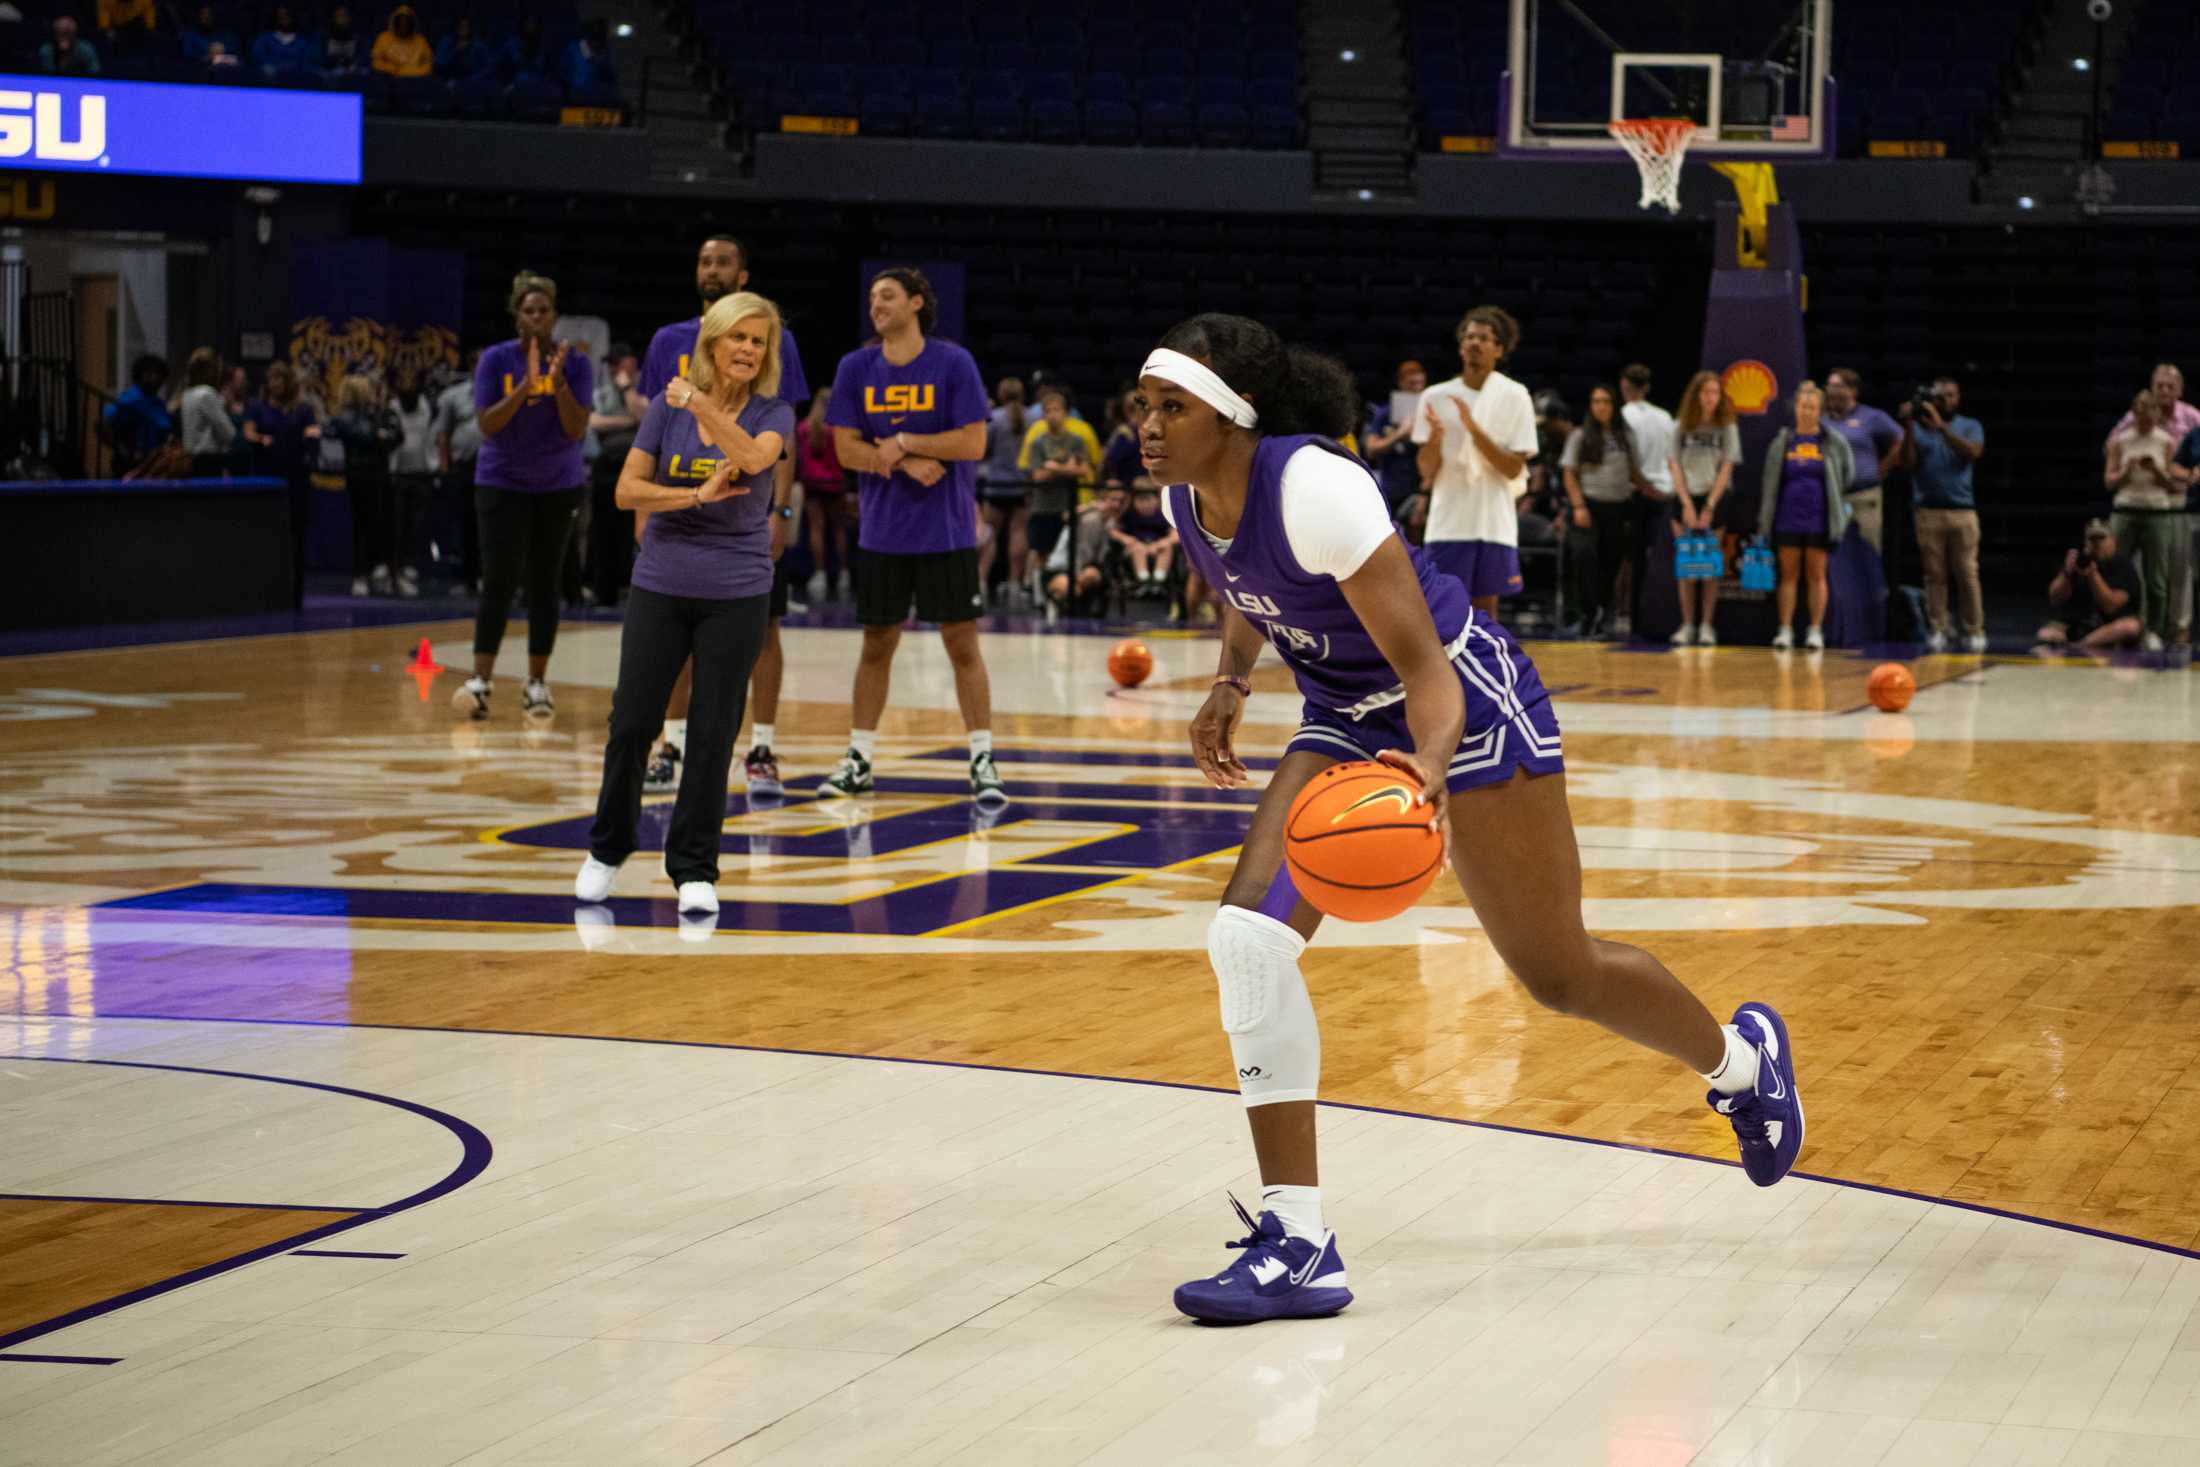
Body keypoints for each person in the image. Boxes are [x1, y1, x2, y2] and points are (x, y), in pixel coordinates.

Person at [1133, 313, 1802, 1325]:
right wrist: (1232, 678)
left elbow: (1426, 672)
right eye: (1143, 404)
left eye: (1169, 405)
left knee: (1558, 974)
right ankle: (1299, 1241)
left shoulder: (1320, 486)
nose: (1145, 423)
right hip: (1341, 714)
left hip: (1467, 707)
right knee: (1246, 940)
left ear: (1232, 417)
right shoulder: (1190, 496)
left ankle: (1744, 1068)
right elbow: (1250, 585)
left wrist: (1429, 766)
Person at [574, 293, 794, 917]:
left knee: (713, 731)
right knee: (633, 722)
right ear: (714, 344)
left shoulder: (772, 411)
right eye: (739, 339)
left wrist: (698, 400)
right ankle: (608, 849)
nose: (750, 350)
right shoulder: (662, 417)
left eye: (760, 341)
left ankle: (693, 867)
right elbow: (624, 492)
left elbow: (754, 459)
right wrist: (693, 496)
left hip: (737, 592)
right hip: (662, 583)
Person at [820, 266, 1004, 803]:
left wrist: (904, 441)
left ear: (918, 303)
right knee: (876, 644)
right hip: (882, 532)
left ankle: (983, 759)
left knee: (962, 645)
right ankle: (858, 758)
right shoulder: (856, 367)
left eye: (888, 296)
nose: (875, 305)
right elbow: (846, 450)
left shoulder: (953, 362)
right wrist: (903, 463)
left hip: (945, 533)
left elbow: (973, 444)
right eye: (872, 297)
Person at [637, 234, 811, 798]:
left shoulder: (771, 339)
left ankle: (760, 746)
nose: (711, 269)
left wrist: (780, 508)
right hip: (680, 512)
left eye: (724, 262)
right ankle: (673, 743)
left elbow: (785, 434)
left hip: (747, 511)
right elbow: (651, 435)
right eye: (704, 261)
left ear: (743, 276)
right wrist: (648, 505)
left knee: (764, 629)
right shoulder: (668, 341)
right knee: (677, 633)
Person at [452, 271, 592, 721]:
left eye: (544, 311)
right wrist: (527, 390)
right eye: (528, 311)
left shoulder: (575, 363)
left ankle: (537, 684)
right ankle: (482, 681)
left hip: (557, 483)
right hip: (501, 482)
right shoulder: (496, 360)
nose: (536, 318)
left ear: (554, 316)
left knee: (544, 582)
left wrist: (558, 385)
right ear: (516, 317)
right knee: (498, 579)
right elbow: (488, 425)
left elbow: (576, 429)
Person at [1411, 306, 1537, 617]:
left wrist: (1472, 428)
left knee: (1485, 610)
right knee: (1442, 608)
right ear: (1459, 346)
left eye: (1483, 338)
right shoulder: (1435, 396)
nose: (1474, 343)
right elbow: (1426, 471)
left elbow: (1513, 468)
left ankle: (1485, 666)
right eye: (1468, 337)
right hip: (1448, 521)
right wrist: (1437, 439)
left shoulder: (1515, 395)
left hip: (1493, 520)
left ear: (1499, 349)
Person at [1758, 381, 1854, 651]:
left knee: (1816, 573)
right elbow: (1770, 481)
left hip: (1819, 518)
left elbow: (1848, 474)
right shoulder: (1783, 441)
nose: (1807, 412)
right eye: (1803, 407)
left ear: (1820, 410)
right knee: (1788, 574)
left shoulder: (1832, 441)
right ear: (1796, 408)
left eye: (1812, 408)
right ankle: (1785, 630)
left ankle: (1815, 630)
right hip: (1787, 517)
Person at [1894, 377, 1986, 653]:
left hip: (1962, 511)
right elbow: (1908, 462)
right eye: (1939, 396)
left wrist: (1941, 427)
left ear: (1957, 398)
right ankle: (1938, 628)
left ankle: (1974, 629)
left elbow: (1972, 452)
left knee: (1967, 572)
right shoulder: (1919, 430)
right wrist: (1908, 425)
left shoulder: (1969, 425)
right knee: (1934, 575)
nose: (1944, 400)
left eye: (1950, 395)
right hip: (1928, 511)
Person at [1559, 384, 1650, 639]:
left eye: (1606, 401)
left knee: (1611, 565)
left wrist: (1654, 490)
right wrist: (1578, 506)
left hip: (1618, 507)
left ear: (1614, 405)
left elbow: (1635, 473)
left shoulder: (1626, 435)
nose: (1600, 406)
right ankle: (1585, 614)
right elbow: (1569, 473)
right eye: (1596, 401)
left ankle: (1601, 614)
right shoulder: (1580, 435)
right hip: (1588, 506)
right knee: (1584, 557)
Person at [2103, 386, 2188, 653]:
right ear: (2134, 415)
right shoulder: (2121, 440)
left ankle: (2155, 631)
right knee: (2117, 571)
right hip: (2126, 510)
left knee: (2157, 577)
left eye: (2149, 418)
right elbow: (2109, 482)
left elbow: (2175, 486)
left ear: (2155, 416)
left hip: (2157, 512)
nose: (2144, 423)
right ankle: (2115, 628)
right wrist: (2126, 471)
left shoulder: (2165, 441)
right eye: (2140, 418)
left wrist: (2157, 471)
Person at [1667, 370, 1740, 647]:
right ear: (1696, 395)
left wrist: (1709, 505)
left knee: (1710, 566)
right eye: (1705, 392)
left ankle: (1707, 625)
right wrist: (1686, 503)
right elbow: (1674, 463)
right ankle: (1687, 624)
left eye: (1715, 393)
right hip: (1685, 496)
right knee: (1686, 565)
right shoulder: (1681, 425)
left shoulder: (1727, 426)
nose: (1709, 398)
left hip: (1715, 497)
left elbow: (1727, 465)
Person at [245, 358, 322, 603]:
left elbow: (313, 434)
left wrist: (308, 443)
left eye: (279, 378)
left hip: (296, 480)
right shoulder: (258, 407)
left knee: (296, 536)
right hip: (267, 480)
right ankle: (265, 591)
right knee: (266, 536)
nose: (274, 383)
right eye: (270, 379)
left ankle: (295, 592)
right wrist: (261, 440)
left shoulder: (303, 410)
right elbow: (248, 432)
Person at [1617, 362, 1676, 634]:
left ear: (1624, 386)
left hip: (1638, 494)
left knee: (1631, 560)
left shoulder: (1624, 415)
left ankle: (1629, 617)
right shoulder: (1666, 417)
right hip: (1666, 492)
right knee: (1658, 558)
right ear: (1647, 387)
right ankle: (1656, 617)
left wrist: (1643, 486)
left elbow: (1627, 461)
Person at [329, 374, 400, 596]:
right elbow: (368, 436)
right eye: (366, 389)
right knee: (362, 527)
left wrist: (381, 435)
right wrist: (378, 435)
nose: (370, 393)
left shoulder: (373, 414)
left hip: (378, 476)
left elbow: (393, 436)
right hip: (360, 477)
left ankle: (381, 572)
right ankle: (360, 574)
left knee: (381, 525)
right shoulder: (346, 417)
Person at [1821, 368, 1901, 555]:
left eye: (1838, 386)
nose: (1832, 391)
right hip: (1832, 498)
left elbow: (1900, 440)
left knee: (1868, 549)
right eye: (1829, 386)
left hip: (1864, 497)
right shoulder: (1822, 420)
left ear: (1853, 391)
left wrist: (1883, 466)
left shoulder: (1872, 416)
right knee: (1833, 552)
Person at [2038, 520, 2141, 652]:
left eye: (2101, 538)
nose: (2096, 544)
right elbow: (2055, 598)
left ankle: (2078, 646)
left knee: (2130, 627)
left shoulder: (2123, 567)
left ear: (2113, 540)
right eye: (2092, 539)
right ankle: (2080, 644)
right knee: (2046, 634)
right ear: (2086, 541)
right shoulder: (2078, 562)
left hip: (2109, 626)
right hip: (2078, 625)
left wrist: (2093, 575)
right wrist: (2066, 573)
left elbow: (2110, 606)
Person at [977, 377, 1033, 604]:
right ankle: (1014, 583)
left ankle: (980, 581)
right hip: (1022, 484)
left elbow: (982, 450)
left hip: (997, 483)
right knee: (1018, 533)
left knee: (990, 533)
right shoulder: (1033, 417)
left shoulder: (995, 418)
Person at [434, 349, 484, 589]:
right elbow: (442, 434)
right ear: (472, 366)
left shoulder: (506, 392)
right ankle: (469, 579)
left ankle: (490, 578)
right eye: (478, 363)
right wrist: (445, 466)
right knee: (467, 524)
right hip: (464, 467)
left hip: (497, 468)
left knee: (493, 525)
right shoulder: (454, 396)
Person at [387, 369, 436, 597]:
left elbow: (434, 438)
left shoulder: (428, 408)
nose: (407, 388)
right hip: (397, 474)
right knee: (395, 526)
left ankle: (408, 566)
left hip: (421, 473)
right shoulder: (391, 408)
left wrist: (434, 468)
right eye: (402, 383)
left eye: (411, 383)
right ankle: (393, 571)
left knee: (415, 526)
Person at [798, 393, 851, 602]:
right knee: (839, 529)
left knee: (816, 528)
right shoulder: (838, 428)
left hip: (812, 483)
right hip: (835, 483)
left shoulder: (804, 427)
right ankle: (844, 574)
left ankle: (819, 574)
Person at [1361, 359, 1426, 519]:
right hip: (1390, 488)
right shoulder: (1385, 413)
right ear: (1401, 383)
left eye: (1420, 384)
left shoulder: (1429, 412)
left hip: (1418, 490)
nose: (1416, 389)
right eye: (1411, 384)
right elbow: (1371, 449)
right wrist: (1399, 435)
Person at [1047, 483, 1125, 613]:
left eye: (1120, 501)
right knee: (1070, 589)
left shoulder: (1110, 523)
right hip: (1061, 568)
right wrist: (1092, 506)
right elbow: (1067, 516)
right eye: (1112, 500)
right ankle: (1055, 600)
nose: (1116, 505)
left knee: (1092, 575)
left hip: (1083, 569)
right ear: (1103, 499)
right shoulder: (1088, 519)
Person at [104, 354, 173, 472]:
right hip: (134, 464)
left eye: (159, 374)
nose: (155, 378)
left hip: (155, 462)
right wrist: (124, 452)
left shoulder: (157, 403)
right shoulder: (131, 398)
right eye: (149, 373)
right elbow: (105, 424)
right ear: (140, 375)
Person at [177, 348, 236, 477]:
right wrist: (226, 405)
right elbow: (228, 433)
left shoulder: (187, 394)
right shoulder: (207, 394)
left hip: (190, 459)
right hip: (208, 461)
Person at [1113, 482, 1176, 595]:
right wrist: (1125, 538)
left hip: (1157, 546)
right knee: (1138, 548)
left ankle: (1158, 580)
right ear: (1134, 501)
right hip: (1135, 547)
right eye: (1141, 501)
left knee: (1167, 548)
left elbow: (1175, 534)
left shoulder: (1163, 515)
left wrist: (1164, 542)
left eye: (1149, 500)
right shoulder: (1129, 515)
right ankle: (1144, 580)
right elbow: (1114, 531)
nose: (1145, 504)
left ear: (1157, 500)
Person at [372, 4, 432, 78]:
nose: (403, 26)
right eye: (401, 23)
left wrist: (413, 72)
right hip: (389, 80)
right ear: (395, 23)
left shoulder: (421, 41)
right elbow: (376, 61)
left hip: (416, 81)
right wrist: (392, 69)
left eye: (406, 23)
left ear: (412, 25)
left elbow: (428, 63)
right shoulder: (383, 38)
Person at [250, 4, 311, 76]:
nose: (284, 20)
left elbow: (306, 66)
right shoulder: (264, 40)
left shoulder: (302, 43)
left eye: (287, 16)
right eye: (281, 16)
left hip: (295, 82)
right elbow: (256, 61)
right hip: (267, 83)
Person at [561, 18, 616, 91]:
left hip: (592, 90)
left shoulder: (604, 51)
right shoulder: (575, 46)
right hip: (575, 88)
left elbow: (603, 68)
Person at [435, 15, 492, 81]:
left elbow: (488, 67)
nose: (462, 29)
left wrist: (471, 80)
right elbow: (438, 63)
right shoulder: (446, 42)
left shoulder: (478, 45)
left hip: (471, 81)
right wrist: (455, 52)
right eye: (460, 26)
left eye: (466, 26)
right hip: (448, 79)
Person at [318, 2, 364, 74]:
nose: (342, 20)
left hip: (352, 78)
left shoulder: (358, 40)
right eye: (339, 16)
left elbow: (362, 62)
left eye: (345, 16)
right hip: (328, 77)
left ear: (350, 18)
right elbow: (318, 63)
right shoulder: (323, 38)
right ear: (333, 18)